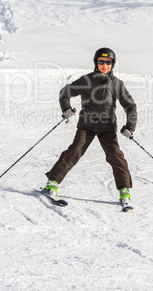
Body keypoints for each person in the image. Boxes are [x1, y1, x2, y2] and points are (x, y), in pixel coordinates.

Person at [43, 47, 137, 207]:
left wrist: (130, 126)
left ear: (113, 64)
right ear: (96, 63)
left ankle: (124, 190)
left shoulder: (117, 84)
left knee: (115, 156)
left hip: (107, 127)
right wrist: (66, 108)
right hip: (87, 125)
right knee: (75, 151)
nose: (105, 65)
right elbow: (65, 92)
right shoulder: (86, 80)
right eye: (101, 61)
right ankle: (52, 182)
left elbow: (130, 105)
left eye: (108, 62)